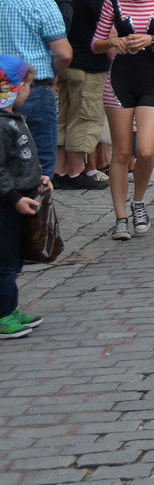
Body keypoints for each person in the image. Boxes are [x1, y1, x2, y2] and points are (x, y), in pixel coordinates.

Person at [91, 0, 154, 240]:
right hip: (120, 81)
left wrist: (152, 40)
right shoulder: (113, 1)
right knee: (122, 152)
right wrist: (113, 41)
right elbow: (96, 44)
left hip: (153, 80)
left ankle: (138, 201)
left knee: (146, 151)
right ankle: (120, 217)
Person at [0, 0, 71, 182]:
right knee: (39, 161)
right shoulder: (41, 2)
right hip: (33, 89)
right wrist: (53, 75)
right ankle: (35, 213)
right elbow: (63, 54)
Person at [0, 57, 51, 340]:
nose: (28, 91)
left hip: (21, 199)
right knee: (4, 262)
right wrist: (13, 197)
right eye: (27, 86)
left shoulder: (12, 119)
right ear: (13, 88)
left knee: (14, 259)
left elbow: (23, 159)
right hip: (6, 206)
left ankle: (10, 306)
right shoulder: (1, 125)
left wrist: (39, 179)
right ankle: (2, 314)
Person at [54, 0, 110, 190]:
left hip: (64, 62)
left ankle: (59, 169)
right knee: (85, 118)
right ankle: (77, 172)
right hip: (89, 65)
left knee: (64, 117)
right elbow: (106, 33)